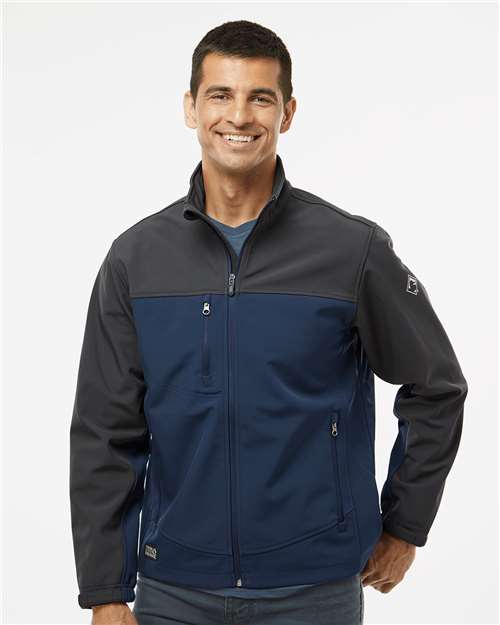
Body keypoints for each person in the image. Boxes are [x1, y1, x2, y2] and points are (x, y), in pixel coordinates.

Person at [69, 19, 468, 625]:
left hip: (315, 590)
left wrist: (406, 526)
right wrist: (105, 590)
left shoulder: (351, 251)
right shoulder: (135, 260)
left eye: (260, 97)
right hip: (174, 592)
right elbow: (105, 430)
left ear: (288, 113)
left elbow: (436, 386)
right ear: (191, 108)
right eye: (220, 95)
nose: (239, 115)